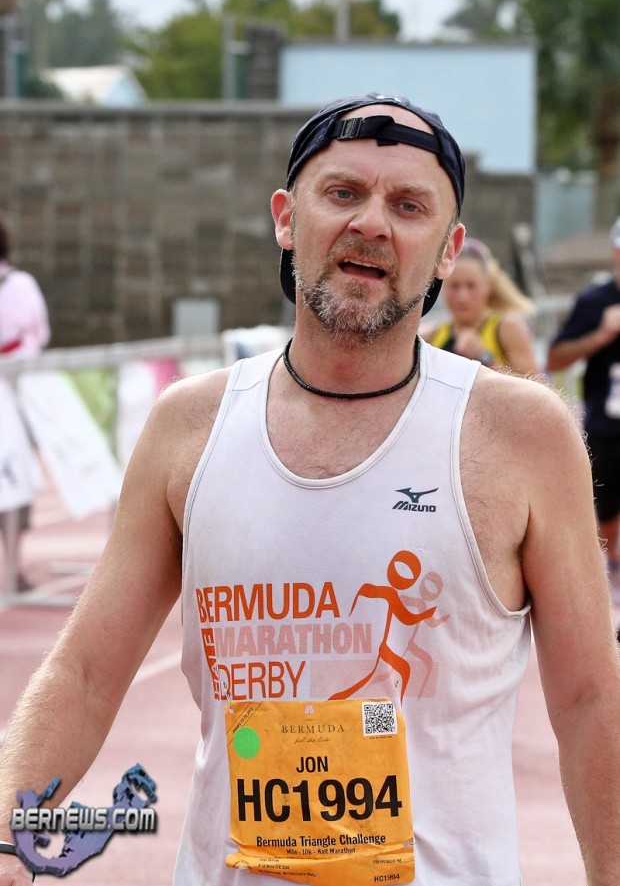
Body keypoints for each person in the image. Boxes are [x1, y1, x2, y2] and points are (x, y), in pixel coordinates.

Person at [0, 93, 619, 886]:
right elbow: (85, 671)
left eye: (409, 205)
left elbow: (592, 701)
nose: (372, 222)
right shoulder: (188, 427)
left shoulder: (521, 434)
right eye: (343, 192)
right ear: (286, 219)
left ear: (448, 251)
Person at [548, 218, 620, 605]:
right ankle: (609, 572)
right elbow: (555, 358)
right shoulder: (595, 302)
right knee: (604, 511)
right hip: (606, 429)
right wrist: (601, 335)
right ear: (615, 252)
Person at [0, 214, 50, 592]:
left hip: (14, 391)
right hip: (15, 392)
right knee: (16, 476)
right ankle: (12, 566)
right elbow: (40, 334)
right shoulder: (21, 284)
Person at [420, 236, 540, 375]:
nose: (462, 297)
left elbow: (537, 384)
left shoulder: (506, 327)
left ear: (489, 286)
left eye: (471, 286)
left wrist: (484, 357)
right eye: (454, 286)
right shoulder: (429, 336)